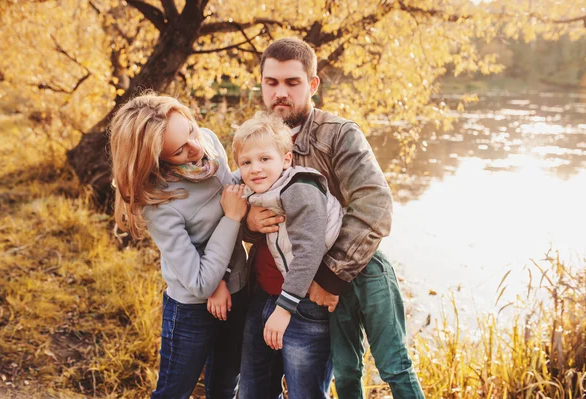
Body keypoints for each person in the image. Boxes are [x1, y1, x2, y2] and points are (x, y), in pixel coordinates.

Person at [244, 38, 426, 398]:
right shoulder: (255, 136)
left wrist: (329, 278)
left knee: (315, 389)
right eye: (272, 82)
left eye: (292, 83)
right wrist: (248, 222)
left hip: (313, 299)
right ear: (261, 83)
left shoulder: (339, 134)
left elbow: (374, 206)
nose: (280, 93)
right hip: (262, 293)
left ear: (312, 85)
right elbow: (239, 201)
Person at [109, 92, 249, 399]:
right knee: (174, 392)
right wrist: (233, 218)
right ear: (156, 160)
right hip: (190, 310)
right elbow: (199, 281)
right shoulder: (159, 201)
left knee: (225, 388)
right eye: (179, 151)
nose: (195, 148)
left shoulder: (209, 142)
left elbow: (231, 195)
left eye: (190, 131)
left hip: (237, 292)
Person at [233, 112, 343, 399]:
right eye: (246, 162)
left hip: (303, 305)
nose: (255, 168)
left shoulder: (301, 189)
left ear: (286, 160)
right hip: (264, 296)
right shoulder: (260, 187)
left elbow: (309, 250)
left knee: (304, 392)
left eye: (264, 159)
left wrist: (284, 309)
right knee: (252, 389)